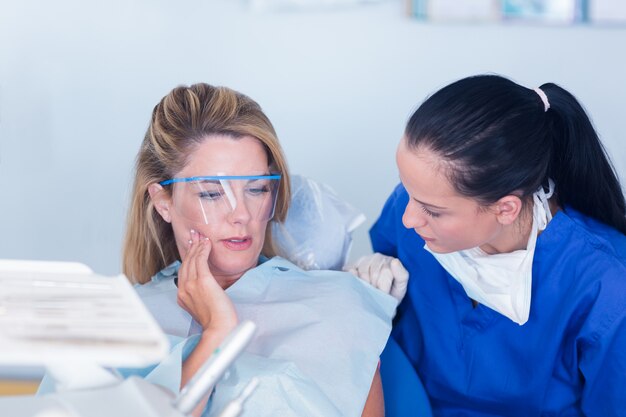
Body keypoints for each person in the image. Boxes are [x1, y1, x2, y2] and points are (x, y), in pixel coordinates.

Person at [349, 74, 626, 416]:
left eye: (433, 211)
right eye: (408, 191)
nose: (408, 218)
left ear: (505, 208)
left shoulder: (606, 286)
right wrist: (368, 298)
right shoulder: (414, 211)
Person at [122, 83, 395, 417]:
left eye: (257, 189)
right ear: (163, 201)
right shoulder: (125, 318)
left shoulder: (340, 308)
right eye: (211, 193)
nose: (241, 214)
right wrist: (217, 333)